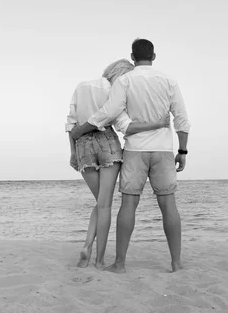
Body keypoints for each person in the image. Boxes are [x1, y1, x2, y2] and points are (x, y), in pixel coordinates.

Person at [70, 39, 190, 273]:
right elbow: (182, 120)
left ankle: (120, 264)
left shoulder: (124, 81)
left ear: (132, 58)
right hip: (163, 150)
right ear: (154, 56)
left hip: (135, 150)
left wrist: (82, 129)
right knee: (169, 206)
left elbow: (111, 114)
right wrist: (182, 151)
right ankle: (176, 263)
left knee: (128, 205)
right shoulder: (169, 81)